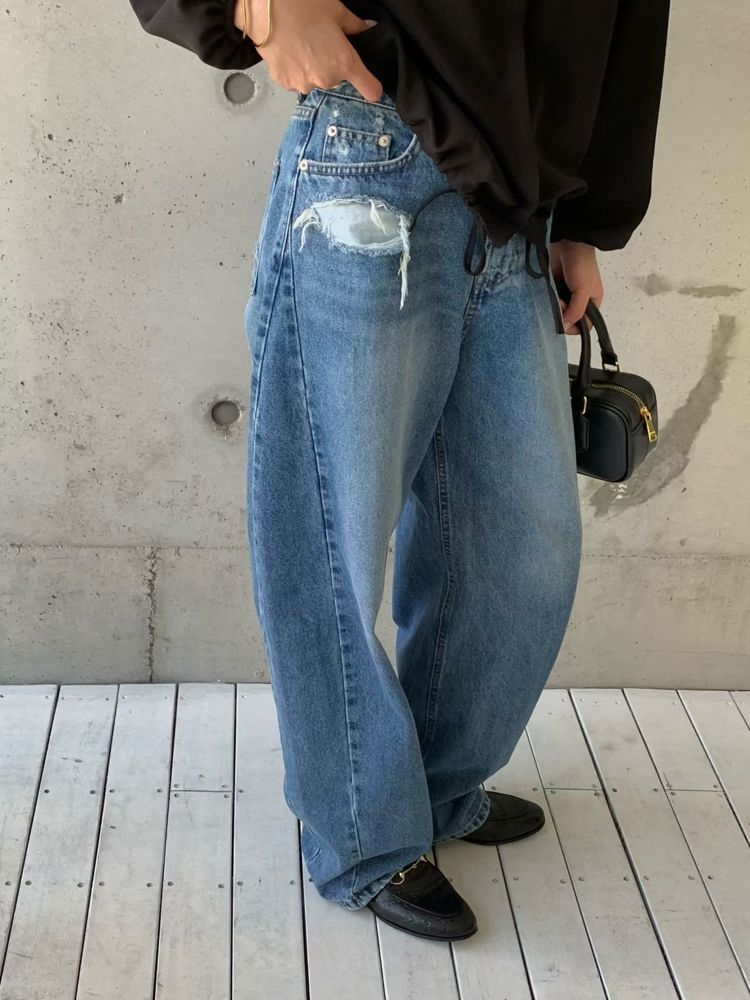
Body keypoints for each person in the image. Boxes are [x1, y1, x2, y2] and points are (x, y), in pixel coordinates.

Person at [128, 0, 670, 941]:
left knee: (523, 546)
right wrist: (263, 7)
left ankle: (435, 788)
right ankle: (363, 834)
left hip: (520, 208)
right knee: (332, 535)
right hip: (370, 153)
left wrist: (584, 220)